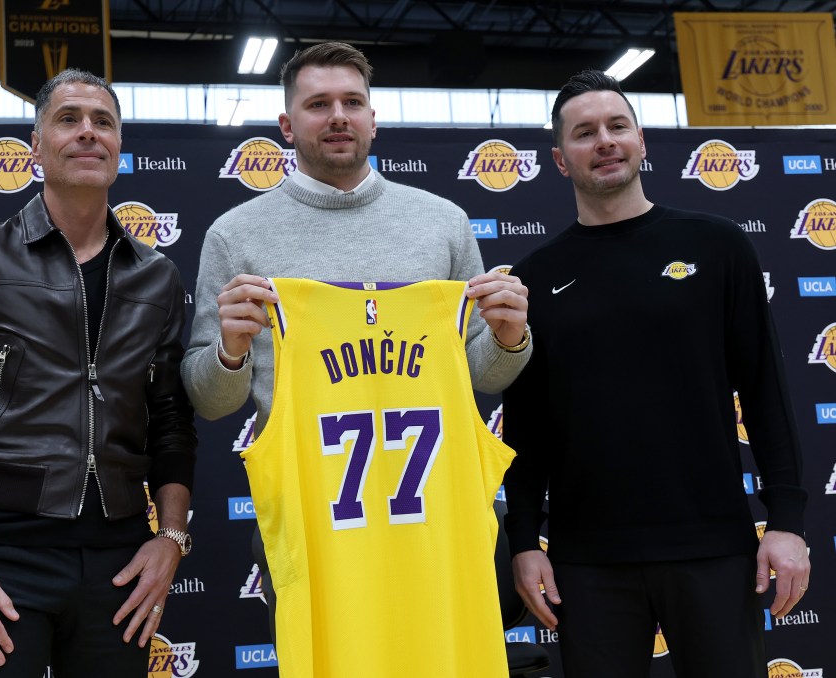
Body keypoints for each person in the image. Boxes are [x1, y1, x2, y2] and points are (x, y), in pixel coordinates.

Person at [181, 41, 531, 644]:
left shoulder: (442, 221)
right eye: (318, 104)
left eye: (352, 102)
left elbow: (485, 376)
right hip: (316, 522)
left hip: (433, 521)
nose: (338, 116)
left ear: (374, 117)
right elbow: (211, 402)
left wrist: (510, 336)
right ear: (288, 126)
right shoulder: (235, 234)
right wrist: (229, 352)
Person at [501, 69, 810, 678]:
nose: (605, 141)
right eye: (584, 133)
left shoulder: (718, 246)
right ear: (561, 160)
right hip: (586, 563)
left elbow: (767, 394)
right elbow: (526, 430)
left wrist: (787, 523)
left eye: (617, 126)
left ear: (642, 141)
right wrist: (522, 543)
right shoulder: (534, 276)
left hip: (716, 548)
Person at [0, 68, 197, 677]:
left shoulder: (156, 276)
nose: (88, 133)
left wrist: (171, 541)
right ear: (35, 148)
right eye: (68, 119)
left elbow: (172, 424)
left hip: (117, 561)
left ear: (118, 147)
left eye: (103, 122)